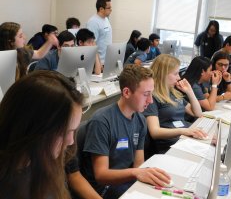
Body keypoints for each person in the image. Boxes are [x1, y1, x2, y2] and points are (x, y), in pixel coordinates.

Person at [80, 65, 171, 199]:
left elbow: (138, 165)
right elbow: (101, 175)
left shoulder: (140, 119)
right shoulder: (102, 121)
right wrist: (136, 173)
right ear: (127, 92)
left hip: (127, 181)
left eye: (152, 93)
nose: (150, 100)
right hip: (104, 188)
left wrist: (142, 174)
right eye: (146, 94)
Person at [0, 70, 83, 199]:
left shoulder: (45, 159)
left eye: (73, 131)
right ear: (33, 129)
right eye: (64, 133)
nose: (71, 141)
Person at [143, 54, 207, 155]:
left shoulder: (172, 92)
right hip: (171, 144)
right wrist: (183, 131)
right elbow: (155, 132)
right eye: (176, 74)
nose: (179, 77)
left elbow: (198, 114)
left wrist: (189, 91)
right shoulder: (152, 97)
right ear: (163, 74)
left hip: (184, 138)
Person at [87, 0, 112, 64]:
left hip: (105, 60)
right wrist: (98, 63)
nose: (111, 10)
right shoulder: (93, 22)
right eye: (109, 8)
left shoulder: (106, 19)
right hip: (98, 62)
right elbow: (92, 44)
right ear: (101, 9)